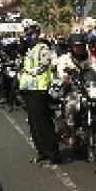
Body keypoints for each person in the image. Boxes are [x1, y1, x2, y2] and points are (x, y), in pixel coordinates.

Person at [19, 28, 62, 166]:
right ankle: (42, 152)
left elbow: (44, 66)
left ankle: (53, 154)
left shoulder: (42, 47)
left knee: (43, 122)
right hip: (29, 88)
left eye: (29, 32)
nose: (27, 34)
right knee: (33, 123)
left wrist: (31, 73)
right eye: (26, 32)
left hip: (40, 89)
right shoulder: (29, 49)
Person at [55, 32, 96, 145]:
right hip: (72, 89)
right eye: (76, 46)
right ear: (71, 46)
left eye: (81, 46)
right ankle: (72, 132)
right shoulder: (65, 59)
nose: (79, 48)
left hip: (88, 88)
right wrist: (65, 77)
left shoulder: (89, 58)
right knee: (71, 105)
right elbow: (61, 71)